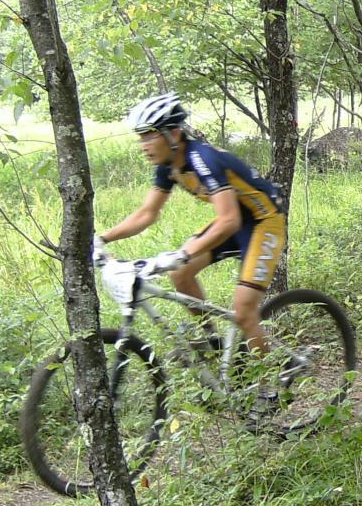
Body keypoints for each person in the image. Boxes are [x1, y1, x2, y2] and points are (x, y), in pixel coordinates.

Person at [95, 93, 287, 356]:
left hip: (264, 221)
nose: (143, 145)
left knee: (244, 311)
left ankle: (270, 378)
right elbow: (147, 213)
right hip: (234, 220)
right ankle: (212, 341)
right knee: (180, 274)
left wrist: (183, 253)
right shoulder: (168, 166)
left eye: (149, 136)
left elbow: (229, 220)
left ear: (173, 133)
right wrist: (101, 239)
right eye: (140, 137)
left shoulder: (203, 159)